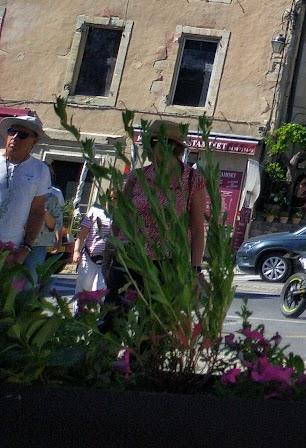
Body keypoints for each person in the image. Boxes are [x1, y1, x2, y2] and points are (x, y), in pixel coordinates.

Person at [106, 119, 210, 309]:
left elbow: (196, 229)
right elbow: (120, 218)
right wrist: (109, 254)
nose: (147, 149)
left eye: (152, 143)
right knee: (112, 319)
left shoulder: (192, 181)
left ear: (170, 146)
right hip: (130, 258)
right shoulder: (137, 177)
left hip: (167, 264)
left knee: (154, 330)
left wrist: (195, 269)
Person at [0, 114, 52, 274]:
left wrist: (26, 248)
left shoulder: (40, 170)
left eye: (22, 135)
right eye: (12, 131)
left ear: (34, 141)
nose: (15, 137)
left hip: (10, 249)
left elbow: (37, 211)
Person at [74, 192, 113, 296]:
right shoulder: (95, 210)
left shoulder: (121, 215)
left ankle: (96, 311)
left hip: (107, 261)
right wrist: (76, 251)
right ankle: (79, 311)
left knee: (100, 293)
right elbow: (82, 234)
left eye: (116, 198)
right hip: (89, 257)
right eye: (111, 197)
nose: (113, 200)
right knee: (83, 291)